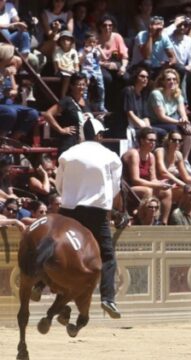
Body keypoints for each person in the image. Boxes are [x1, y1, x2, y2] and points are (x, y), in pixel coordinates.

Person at [54, 117, 123, 319]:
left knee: (56, 250)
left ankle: (40, 284)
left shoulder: (68, 154)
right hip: (96, 212)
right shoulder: (110, 156)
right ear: (100, 135)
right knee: (107, 256)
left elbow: (59, 185)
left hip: (68, 210)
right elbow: (115, 187)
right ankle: (108, 298)